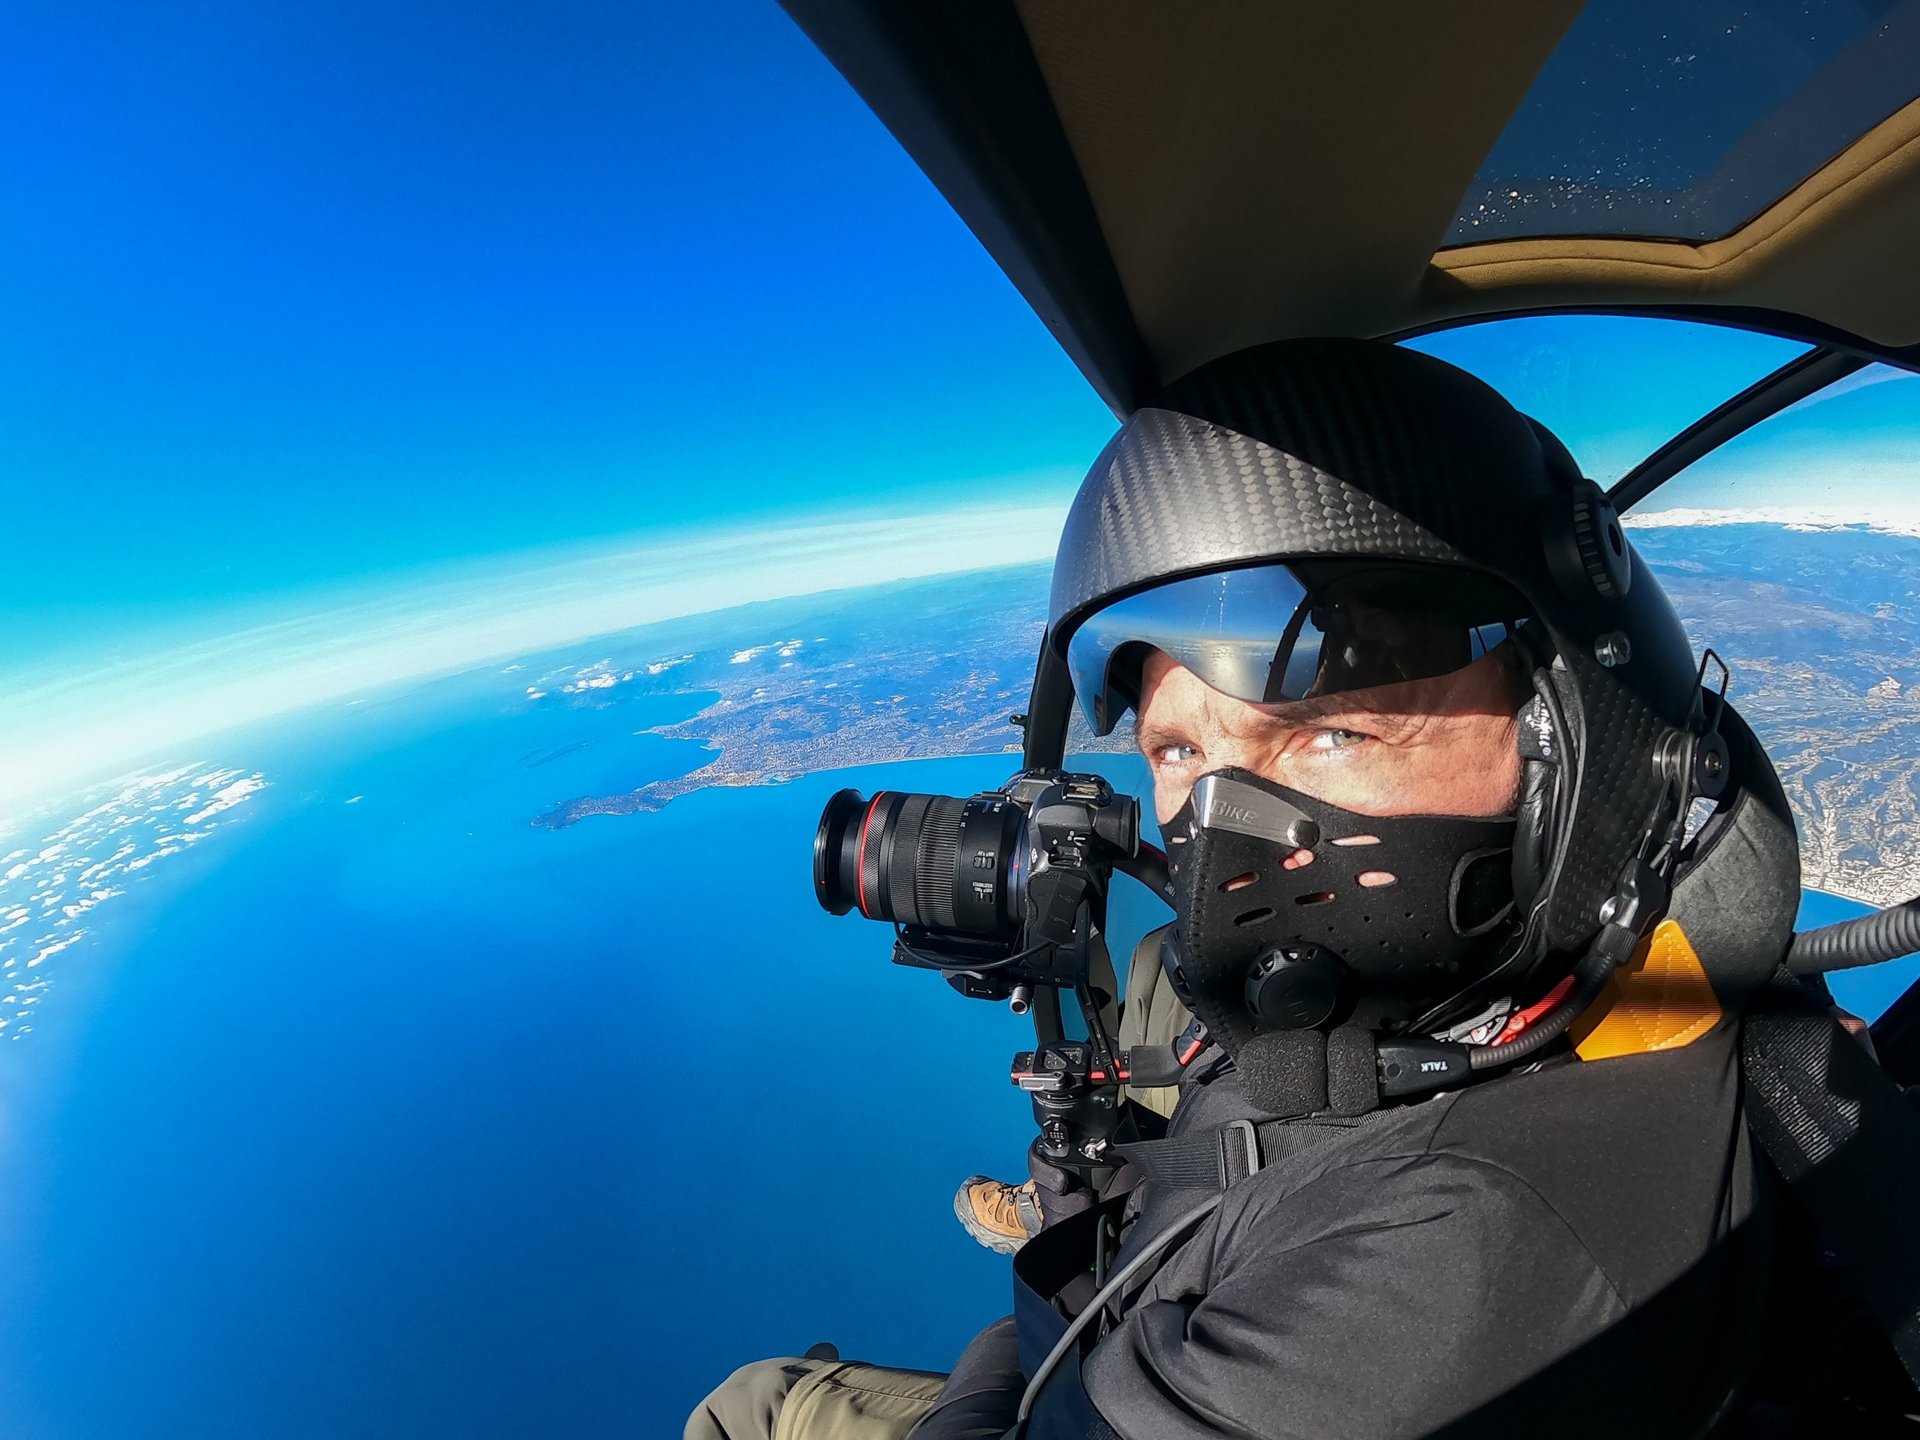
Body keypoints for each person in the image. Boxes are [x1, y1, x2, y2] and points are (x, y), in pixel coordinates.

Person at [688, 338, 1783, 1439]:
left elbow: (1063, 1400)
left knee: (752, 1409)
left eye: (1332, 732)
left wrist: (1040, 1281)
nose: (1226, 849)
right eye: (1177, 754)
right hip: (1183, 1238)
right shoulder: (1538, 1010)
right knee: (1162, 971)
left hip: (1084, 1353)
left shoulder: (1455, 1267)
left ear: (1576, 745)